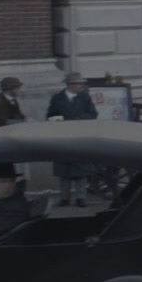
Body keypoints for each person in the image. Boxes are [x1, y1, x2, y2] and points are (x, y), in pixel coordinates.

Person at [46, 72, 97, 208]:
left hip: (80, 137)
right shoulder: (57, 98)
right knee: (64, 171)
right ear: (70, 85)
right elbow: (50, 115)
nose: (81, 86)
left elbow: (93, 114)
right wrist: (60, 121)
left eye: (81, 84)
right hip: (63, 137)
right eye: (78, 84)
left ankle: (81, 197)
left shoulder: (84, 97)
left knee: (82, 170)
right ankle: (64, 198)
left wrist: (80, 119)